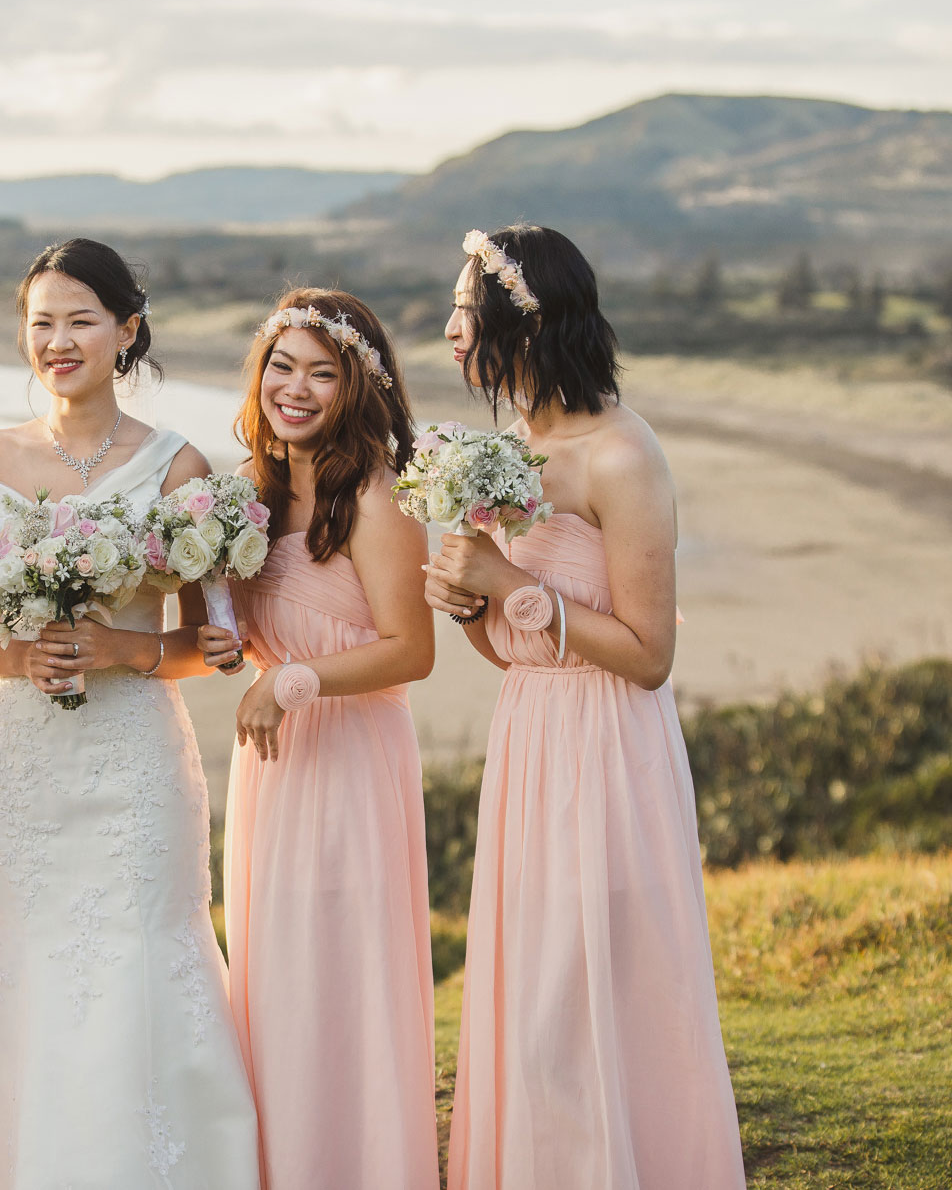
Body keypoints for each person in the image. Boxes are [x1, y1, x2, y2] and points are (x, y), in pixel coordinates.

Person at [0, 238, 260, 1190]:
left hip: (135, 757)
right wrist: (21, 654)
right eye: (40, 322)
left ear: (127, 329)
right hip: (24, 755)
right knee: (23, 951)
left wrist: (130, 651)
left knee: (142, 947)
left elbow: (213, 641)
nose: (58, 340)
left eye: (80, 320)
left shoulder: (177, 464)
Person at [428, 224, 745, 1190]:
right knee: (533, 994)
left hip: (610, 745)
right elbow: (516, 648)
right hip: (531, 736)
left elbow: (650, 654)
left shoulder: (622, 454)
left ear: (521, 323)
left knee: (594, 993)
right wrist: (471, 608)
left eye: (461, 310)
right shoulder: (516, 447)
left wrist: (508, 582)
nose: (447, 330)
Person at [201, 289, 439, 1189]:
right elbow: (252, 630)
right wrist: (229, 644)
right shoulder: (248, 495)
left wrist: (290, 680)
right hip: (274, 770)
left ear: (357, 386)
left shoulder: (376, 497)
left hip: (352, 761)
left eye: (321, 372)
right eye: (280, 366)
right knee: (279, 980)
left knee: (347, 974)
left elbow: (410, 651)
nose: (293, 389)